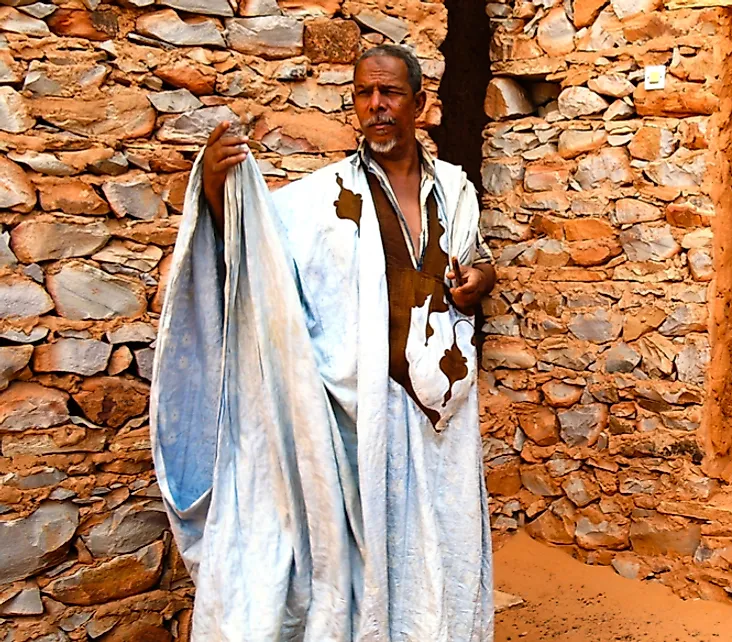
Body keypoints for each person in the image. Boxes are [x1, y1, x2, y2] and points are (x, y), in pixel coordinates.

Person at [149, 44, 496, 642]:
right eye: (364, 94)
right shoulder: (321, 200)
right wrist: (214, 188)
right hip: (357, 420)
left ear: (420, 103)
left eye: (389, 94)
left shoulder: (456, 191)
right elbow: (251, 250)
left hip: (441, 421)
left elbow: (477, 254)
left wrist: (480, 278)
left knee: (445, 547)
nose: (376, 106)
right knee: (362, 566)